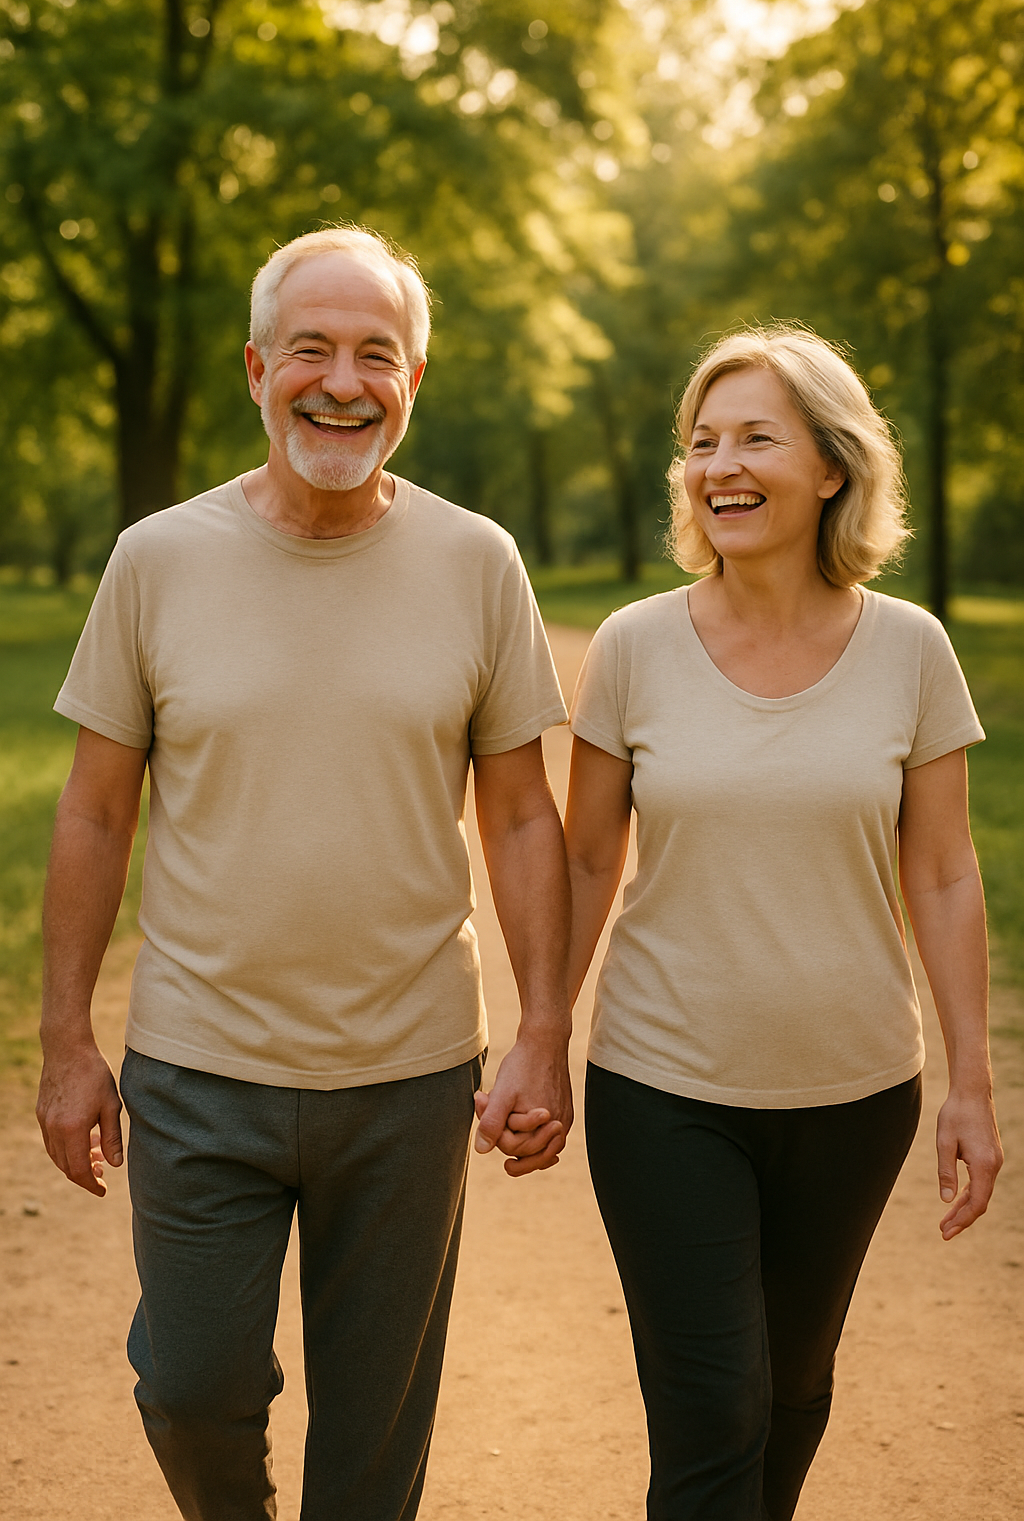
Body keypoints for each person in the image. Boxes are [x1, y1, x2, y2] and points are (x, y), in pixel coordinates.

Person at [35, 224, 573, 1521]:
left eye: (376, 354)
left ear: (414, 382)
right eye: (312, 350)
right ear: (255, 366)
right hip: (198, 1062)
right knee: (188, 1386)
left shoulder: (478, 562)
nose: (343, 382)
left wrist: (547, 1031)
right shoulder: (156, 559)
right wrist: (63, 1041)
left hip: (408, 1071)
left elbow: (518, 816)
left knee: (373, 1448)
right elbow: (99, 812)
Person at [564, 326, 1003, 1521]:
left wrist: (970, 1079)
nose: (719, 466)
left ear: (831, 466)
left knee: (791, 1393)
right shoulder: (634, 647)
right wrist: (539, 1034)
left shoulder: (911, 649)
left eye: (756, 436)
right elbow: (587, 855)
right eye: (700, 444)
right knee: (713, 1405)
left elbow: (946, 873)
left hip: (855, 1092)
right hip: (663, 1088)